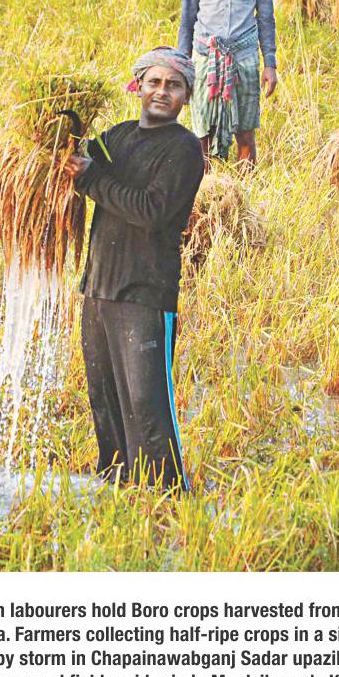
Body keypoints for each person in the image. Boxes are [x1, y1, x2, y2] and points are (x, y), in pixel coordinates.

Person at [71, 47, 207, 491]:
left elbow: (151, 211)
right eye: (154, 82)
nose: (162, 92)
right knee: (104, 399)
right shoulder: (118, 137)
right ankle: (116, 485)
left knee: (147, 404)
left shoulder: (184, 149)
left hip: (146, 293)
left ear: (187, 96)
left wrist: (91, 177)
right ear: (138, 87)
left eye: (173, 85)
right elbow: (81, 160)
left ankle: (165, 493)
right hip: (99, 288)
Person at [177, 0, 278, 165]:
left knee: (245, 132)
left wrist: (270, 64)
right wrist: (181, 65)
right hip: (205, 57)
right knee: (202, 133)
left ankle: (245, 187)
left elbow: (265, 16)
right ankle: (205, 187)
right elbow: (187, 16)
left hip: (243, 57)